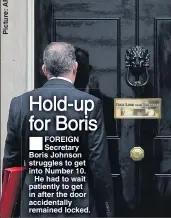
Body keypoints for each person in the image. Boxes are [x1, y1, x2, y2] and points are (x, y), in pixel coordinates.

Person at [2, 42, 114, 217]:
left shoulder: (20, 104)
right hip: (77, 205)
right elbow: (98, 164)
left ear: (44, 69)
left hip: (34, 205)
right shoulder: (90, 105)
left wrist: (11, 208)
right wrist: (106, 210)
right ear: (75, 67)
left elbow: (11, 161)